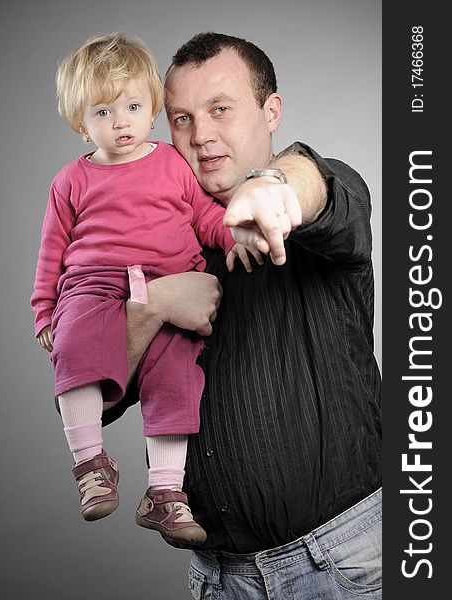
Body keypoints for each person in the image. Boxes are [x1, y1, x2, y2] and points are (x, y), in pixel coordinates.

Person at [110, 32, 382, 599]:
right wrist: (152, 307)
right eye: (182, 119)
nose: (201, 135)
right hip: (221, 579)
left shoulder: (318, 200)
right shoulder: (152, 248)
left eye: (220, 109)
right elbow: (98, 398)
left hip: (345, 562)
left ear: (271, 111)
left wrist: (274, 188)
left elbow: (321, 183)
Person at [30, 32, 260, 545]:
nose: (122, 122)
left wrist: (233, 234)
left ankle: (165, 494)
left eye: (133, 106)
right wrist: (45, 310)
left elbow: (203, 215)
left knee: (178, 380)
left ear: (152, 107)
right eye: (104, 112)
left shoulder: (173, 163)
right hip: (93, 287)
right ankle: (91, 464)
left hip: (169, 277)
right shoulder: (71, 180)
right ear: (80, 122)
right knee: (73, 354)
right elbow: (52, 251)